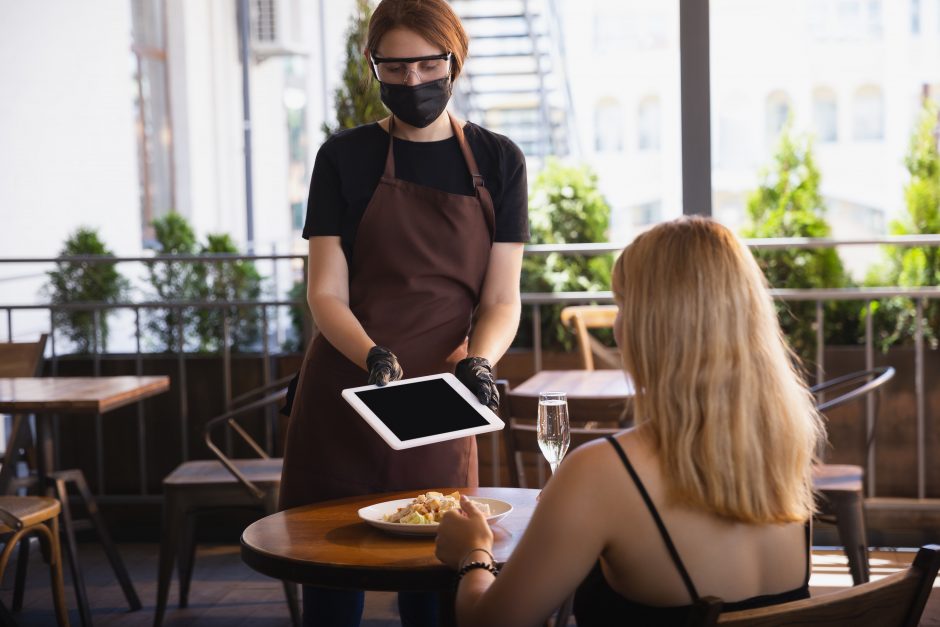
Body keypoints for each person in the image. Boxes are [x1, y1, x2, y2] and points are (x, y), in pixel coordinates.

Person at [435, 216, 824, 627]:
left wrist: (473, 554)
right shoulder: (787, 458)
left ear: (652, 327)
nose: (617, 326)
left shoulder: (602, 472)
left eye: (622, 304)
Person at [278, 0, 528, 625]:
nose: (411, 81)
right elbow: (325, 293)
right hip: (346, 389)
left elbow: (501, 298)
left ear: (454, 60)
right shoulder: (344, 157)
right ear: (374, 68)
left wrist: (479, 361)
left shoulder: (499, 161)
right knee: (331, 594)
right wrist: (371, 355)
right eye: (393, 68)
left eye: (425, 64)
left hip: (440, 405)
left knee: (438, 589)